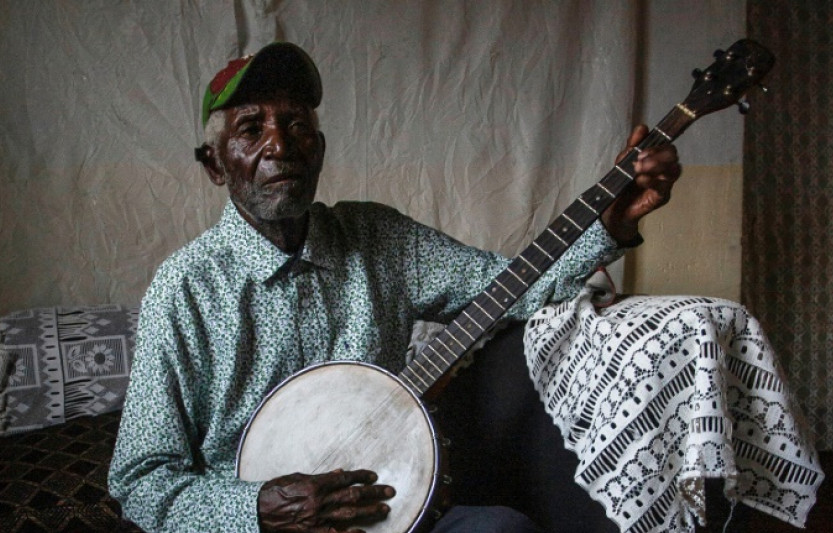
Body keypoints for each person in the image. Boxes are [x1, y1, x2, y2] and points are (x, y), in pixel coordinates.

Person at [108, 42, 681, 532]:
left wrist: (612, 223)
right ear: (214, 164)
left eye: (298, 126)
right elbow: (139, 481)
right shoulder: (183, 289)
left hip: (395, 517)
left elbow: (516, 287)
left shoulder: (380, 238)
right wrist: (258, 507)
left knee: (504, 528)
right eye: (251, 129)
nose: (279, 146)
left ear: (320, 150)